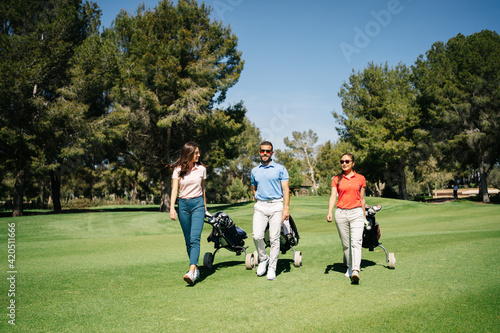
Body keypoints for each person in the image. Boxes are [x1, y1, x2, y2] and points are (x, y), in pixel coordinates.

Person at [169, 142, 207, 286]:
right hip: (183, 205)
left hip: (198, 205)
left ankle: (191, 271)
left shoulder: (202, 169)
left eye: (198, 152)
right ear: (188, 154)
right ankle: (195, 268)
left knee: (195, 238)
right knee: (188, 240)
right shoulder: (177, 170)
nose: (198, 155)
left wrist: (205, 207)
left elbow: (203, 190)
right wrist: (172, 208)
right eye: (196, 153)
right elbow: (174, 190)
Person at [251, 141, 290, 280]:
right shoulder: (254, 171)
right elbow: (254, 189)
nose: (265, 153)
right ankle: (263, 259)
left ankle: (272, 268)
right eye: (262, 151)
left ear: (272, 153)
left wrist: (286, 208)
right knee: (257, 236)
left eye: (268, 151)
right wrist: (259, 201)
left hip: (276, 205)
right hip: (261, 205)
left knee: (274, 238)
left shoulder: (280, 169)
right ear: (259, 152)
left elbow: (285, 190)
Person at [326, 153, 366, 284]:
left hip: (356, 213)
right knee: (346, 244)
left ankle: (355, 270)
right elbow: (333, 196)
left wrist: (364, 214)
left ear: (353, 163)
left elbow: (362, 198)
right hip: (341, 213)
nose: (344, 163)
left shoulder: (360, 178)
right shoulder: (336, 179)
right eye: (342, 161)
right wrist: (330, 212)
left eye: (347, 161)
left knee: (356, 241)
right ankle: (349, 266)